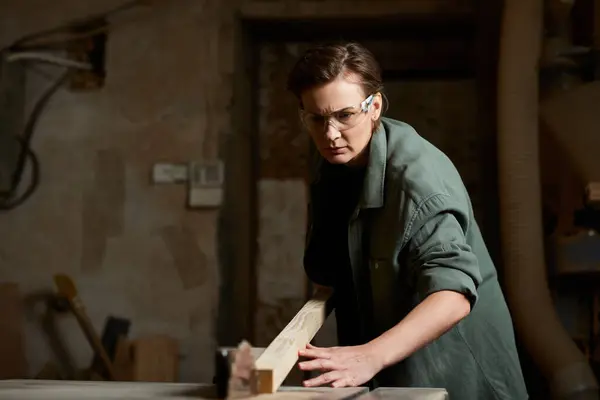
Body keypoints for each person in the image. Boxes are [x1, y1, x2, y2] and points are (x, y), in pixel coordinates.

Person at [286, 42, 529, 400]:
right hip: (395, 376)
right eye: (316, 119)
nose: (331, 133)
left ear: (375, 106)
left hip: (460, 379)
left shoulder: (419, 183)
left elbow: (454, 294)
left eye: (345, 115)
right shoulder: (336, 167)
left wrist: (369, 356)